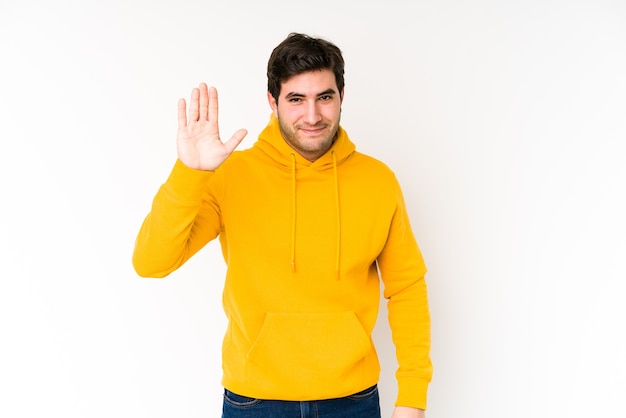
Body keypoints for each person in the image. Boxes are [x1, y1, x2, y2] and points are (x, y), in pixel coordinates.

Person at [132, 32, 432, 418]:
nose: (312, 116)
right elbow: (151, 262)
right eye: (296, 99)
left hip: (353, 401)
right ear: (272, 102)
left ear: (341, 96)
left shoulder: (378, 181)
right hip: (254, 401)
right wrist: (190, 174)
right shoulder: (231, 175)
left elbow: (407, 288)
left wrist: (412, 396)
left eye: (325, 97)